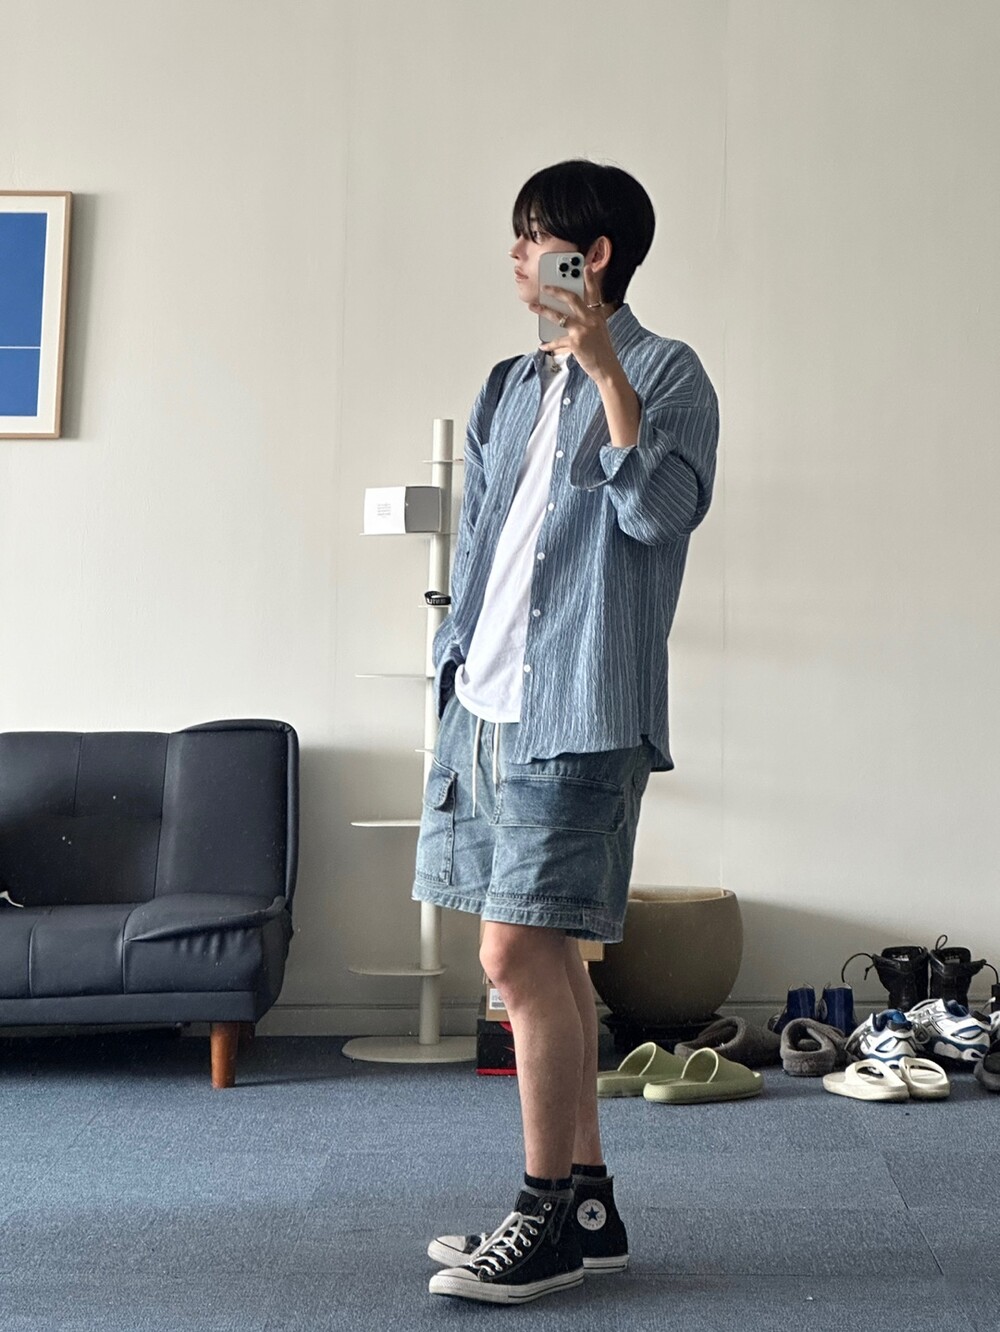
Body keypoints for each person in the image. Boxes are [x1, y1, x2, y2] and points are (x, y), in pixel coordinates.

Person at [412, 159, 719, 1305]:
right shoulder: (505, 384)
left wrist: (604, 374)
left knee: (512, 959)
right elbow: (482, 540)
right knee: (540, 961)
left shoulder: (666, 370)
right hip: (484, 707)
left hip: (580, 709)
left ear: (594, 257)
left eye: (537, 237)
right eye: (516, 237)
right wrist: (451, 672)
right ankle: (587, 1207)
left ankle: (541, 1215)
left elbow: (657, 512)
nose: (517, 257)